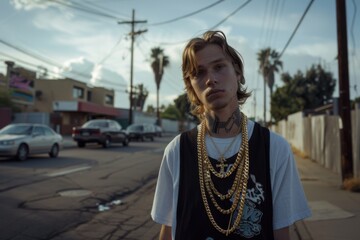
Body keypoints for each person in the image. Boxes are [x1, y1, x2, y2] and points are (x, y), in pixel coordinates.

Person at [151, 30, 311, 240]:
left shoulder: (274, 148)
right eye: (199, 73)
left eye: (219, 67)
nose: (211, 79)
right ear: (191, 85)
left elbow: (281, 232)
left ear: (238, 73)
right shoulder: (177, 150)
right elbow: (168, 229)